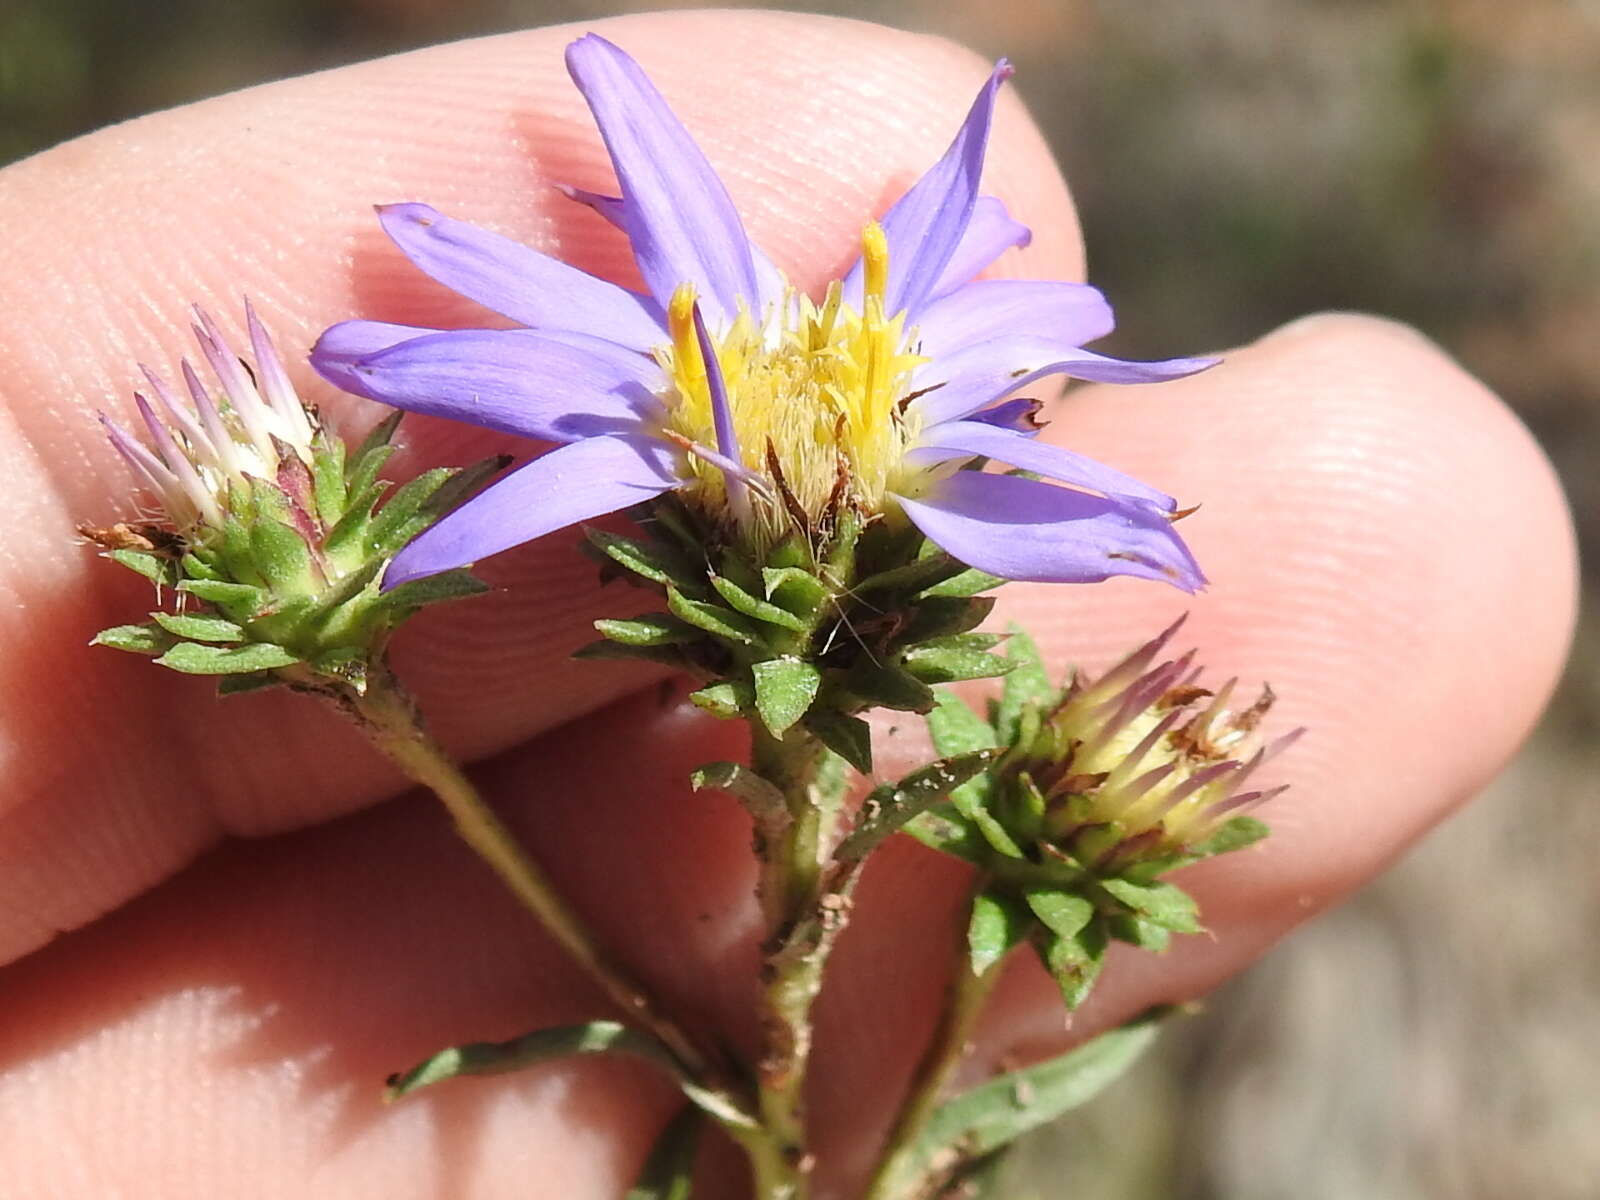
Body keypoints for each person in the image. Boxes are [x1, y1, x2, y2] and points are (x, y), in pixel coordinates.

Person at [0, 11, 1574, 1197]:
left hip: (831, 535)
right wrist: (407, 563)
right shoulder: (650, 399)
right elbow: (413, 378)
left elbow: (1069, 330)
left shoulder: (928, 405)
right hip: (731, 524)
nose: (808, 347)